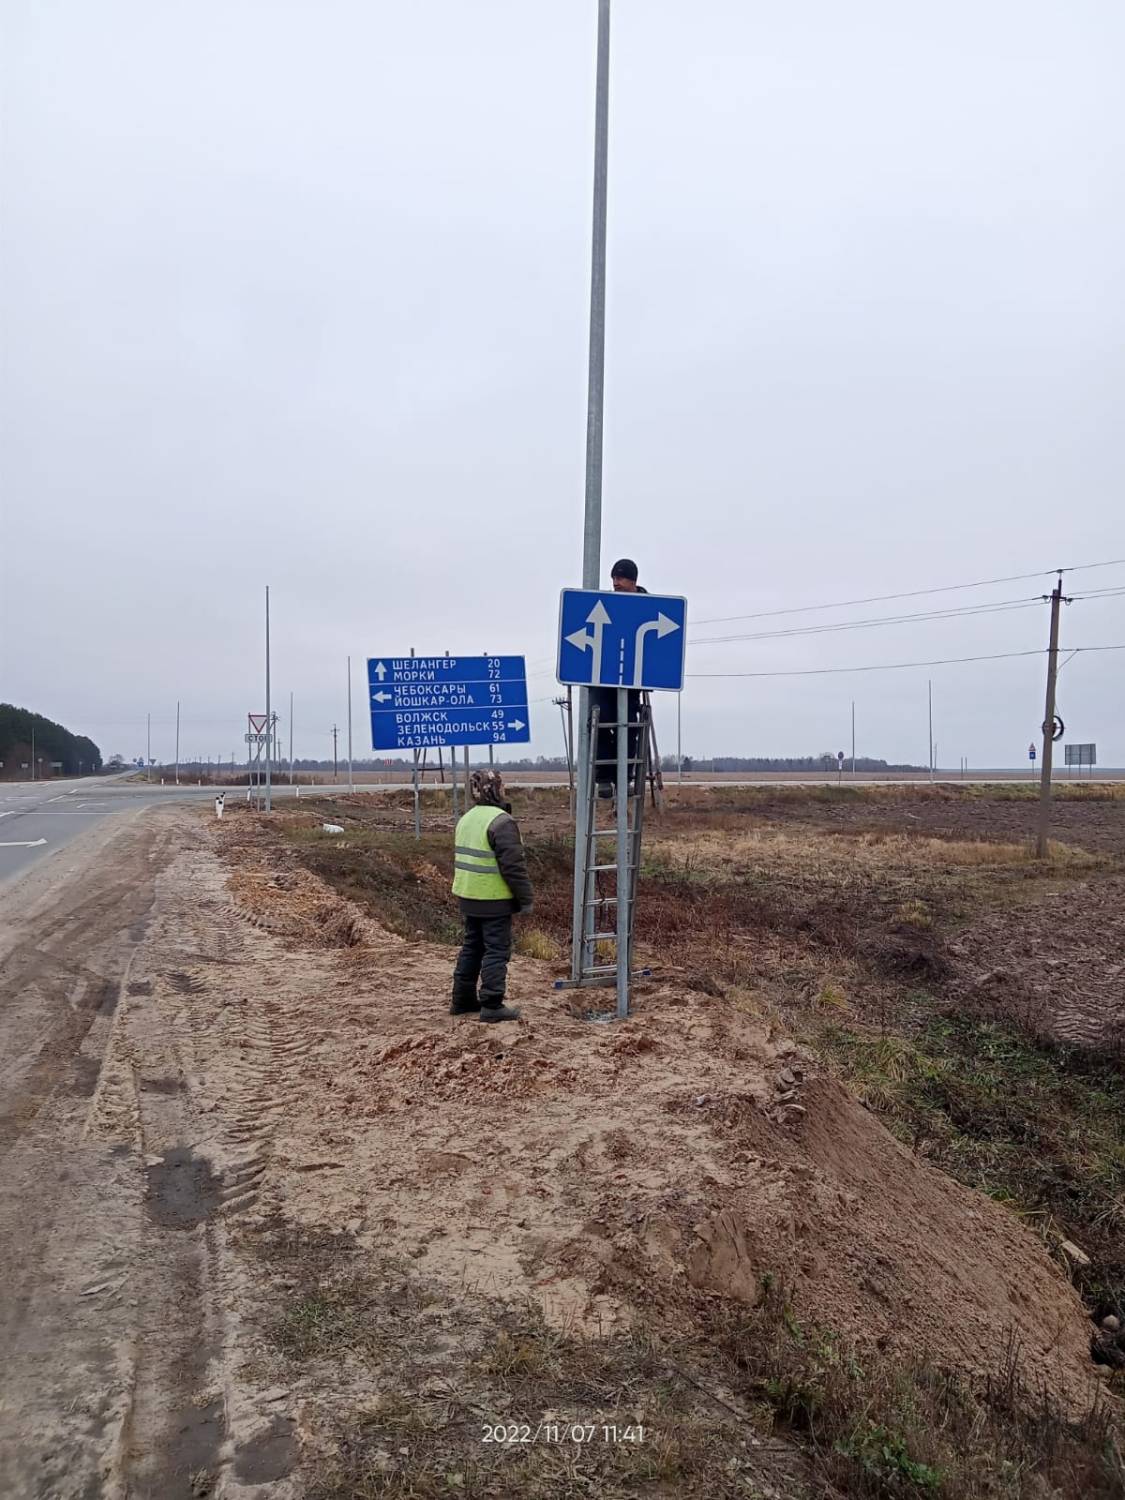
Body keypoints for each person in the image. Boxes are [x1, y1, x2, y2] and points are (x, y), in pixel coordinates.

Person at [450, 768, 532, 1022]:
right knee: (496, 950)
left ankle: (462, 1000)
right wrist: (526, 899)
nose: (504, 789)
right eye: (502, 785)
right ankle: (492, 1004)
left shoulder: (467, 818)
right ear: (494, 789)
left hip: (469, 896)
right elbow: (513, 866)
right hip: (494, 899)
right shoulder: (501, 821)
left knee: (472, 947)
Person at [592, 560, 647, 797]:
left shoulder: (648, 605)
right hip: (605, 676)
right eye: (613, 578)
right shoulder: (608, 603)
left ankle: (625, 775)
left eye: (621, 578)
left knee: (628, 724)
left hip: (632, 678)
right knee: (600, 718)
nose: (616, 583)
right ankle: (604, 777)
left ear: (633, 581)